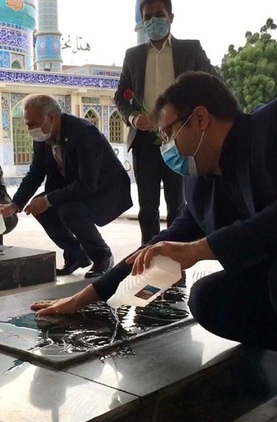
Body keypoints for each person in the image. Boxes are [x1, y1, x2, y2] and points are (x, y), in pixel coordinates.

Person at [31, 72, 277, 422]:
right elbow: (160, 245)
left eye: (167, 133)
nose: (166, 147)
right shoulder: (204, 182)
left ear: (200, 118)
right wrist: (84, 297)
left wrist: (198, 249)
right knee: (211, 298)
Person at [114, 0, 215, 245]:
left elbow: (213, 83)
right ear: (142, 22)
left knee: (177, 204)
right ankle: (148, 256)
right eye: (147, 17)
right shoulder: (133, 56)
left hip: (180, 138)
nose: (153, 21)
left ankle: (174, 256)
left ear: (171, 17)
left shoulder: (191, 50)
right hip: (144, 141)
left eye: (159, 14)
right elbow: (120, 97)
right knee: (147, 207)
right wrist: (133, 117)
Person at [0, 95, 132, 278]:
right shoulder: (43, 136)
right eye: (28, 124)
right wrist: (15, 204)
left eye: (33, 124)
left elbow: (87, 184)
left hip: (105, 189)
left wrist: (48, 199)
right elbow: (36, 172)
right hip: (76, 185)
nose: (30, 129)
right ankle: (76, 254)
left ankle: (102, 255)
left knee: (69, 210)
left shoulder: (84, 133)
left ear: (51, 118)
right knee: (40, 207)